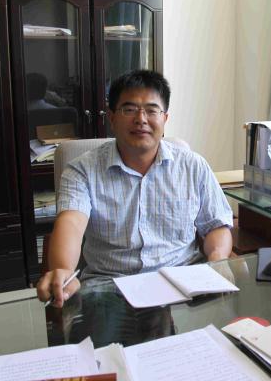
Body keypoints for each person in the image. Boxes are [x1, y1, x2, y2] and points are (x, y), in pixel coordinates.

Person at [37, 70, 233, 308]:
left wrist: (217, 260)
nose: (141, 119)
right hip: (111, 288)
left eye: (152, 110)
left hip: (183, 284)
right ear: (112, 117)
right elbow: (71, 223)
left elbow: (216, 225)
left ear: (165, 119)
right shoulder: (82, 171)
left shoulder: (193, 166)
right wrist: (64, 270)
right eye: (129, 109)